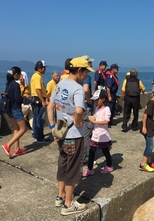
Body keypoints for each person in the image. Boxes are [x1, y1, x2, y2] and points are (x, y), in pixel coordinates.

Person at [47, 57, 94, 216]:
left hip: (61, 132)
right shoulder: (78, 88)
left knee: (63, 164)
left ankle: (60, 196)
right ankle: (68, 205)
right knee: (73, 168)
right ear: (79, 70)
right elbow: (79, 110)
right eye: (86, 71)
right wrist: (79, 122)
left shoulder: (59, 84)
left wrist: (53, 127)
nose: (87, 74)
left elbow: (51, 106)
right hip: (74, 135)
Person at [82, 89, 113, 177]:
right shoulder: (97, 108)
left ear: (103, 99)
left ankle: (109, 166)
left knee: (106, 151)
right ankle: (90, 169)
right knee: (91, 151)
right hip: (95, 134)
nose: (95, 101)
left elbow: (106, 121)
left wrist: (95, 121)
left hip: (103, 135)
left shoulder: (107, 109)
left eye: (97, 99)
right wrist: (91, 117)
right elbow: (96, 116)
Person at [2, 67, 27, 157]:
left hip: (9, 109)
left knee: (16, 129)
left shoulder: (8, 84)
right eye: (19, 74)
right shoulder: (16, 85)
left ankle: (17, 149)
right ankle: (8, 145)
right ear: (15, 74)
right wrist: (25, 97)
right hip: (16, 109)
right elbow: (18, 99)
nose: (20, 76)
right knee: (23, 129)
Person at [30, 60, 49, 143]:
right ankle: (40, 137)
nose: (45, 69)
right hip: (38, 100)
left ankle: (36, 134)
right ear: (39, 68)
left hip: (35, 99)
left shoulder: (35, 76)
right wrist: (43, 101)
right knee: (40, 119)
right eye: (44, 68)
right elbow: (38, 90)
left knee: (36, 118)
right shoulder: (37, 77)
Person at [81, 55, 95, 164]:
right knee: (87, 133)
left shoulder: (75, 76)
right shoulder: (86, 76)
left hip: (77, 107)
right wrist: (88, 99)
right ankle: (85, 157)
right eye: (90, 62)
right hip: (86, 108)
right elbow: (86, 89)